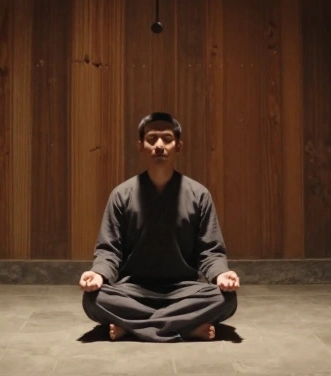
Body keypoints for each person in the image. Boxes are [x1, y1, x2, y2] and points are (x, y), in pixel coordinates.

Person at [79, 112, 239, 342]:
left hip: (184, 290)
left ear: (179, 145)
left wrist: (222, 274)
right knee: (93, 299)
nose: (160, 146)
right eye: (152, 139)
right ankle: (184, 328)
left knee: (226, 299)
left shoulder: (198, 194)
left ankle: (132, 328)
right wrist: (97, 274)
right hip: (134, 289)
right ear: (141, 145)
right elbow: (109, 250)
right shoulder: (122, 194)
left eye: (167, 139)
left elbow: (210, 251)